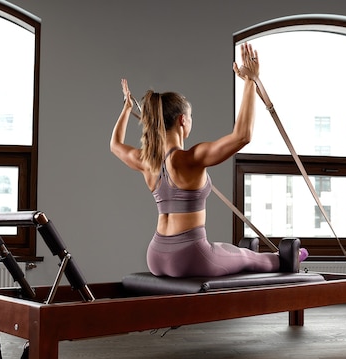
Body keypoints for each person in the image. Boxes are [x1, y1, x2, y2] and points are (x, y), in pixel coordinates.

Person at [110, 43, 307, 278]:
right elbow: (242, 136)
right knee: (245, 257)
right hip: (188, 256)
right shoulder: (189, 158)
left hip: (155, 254)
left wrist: (126, 109)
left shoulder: (147, 161)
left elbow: (115, 145)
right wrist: (250, 82)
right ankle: (287, 258)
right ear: (182, 120)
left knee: (226, 250)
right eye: (191, 116)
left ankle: (243, 255)